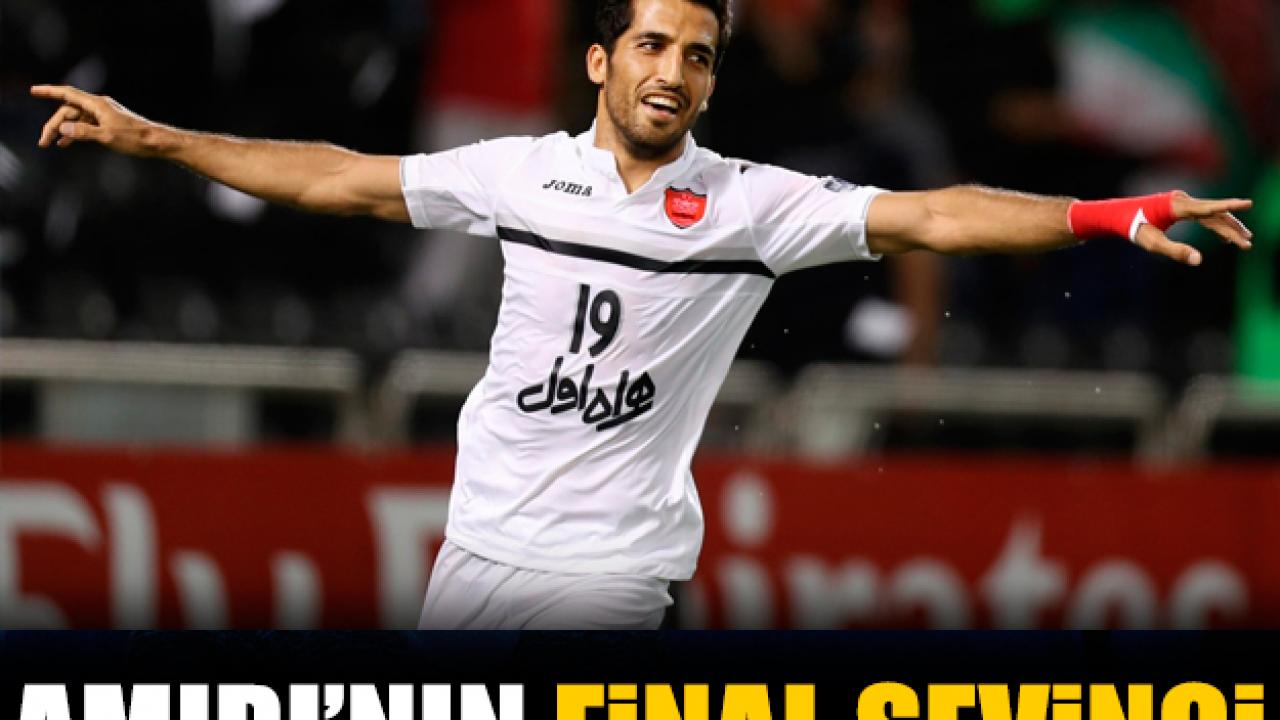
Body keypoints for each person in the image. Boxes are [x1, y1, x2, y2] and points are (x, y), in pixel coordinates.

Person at [32, 0, 1253, 630]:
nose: (674, 71)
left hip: (608, 579)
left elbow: (936, 214)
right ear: (600, 61)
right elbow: (337, 179)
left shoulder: (748, 204)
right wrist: (161, 140)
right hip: (474, 557)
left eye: (699, 55)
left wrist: (1103, 214)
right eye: (654, 45)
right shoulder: (518, 174)